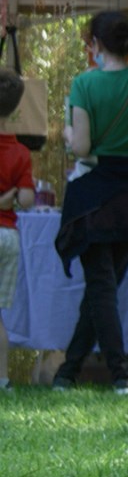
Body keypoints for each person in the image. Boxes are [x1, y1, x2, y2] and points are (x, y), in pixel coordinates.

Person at [55, 10, 128, 393]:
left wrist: (68, 131)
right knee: (103, 288)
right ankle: (67, 372)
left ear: (97, 44)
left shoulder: (84, 84)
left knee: (101, 288)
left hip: (95, 193)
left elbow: (82, 146)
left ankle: (120, 374)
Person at [0, 68, 36, 390]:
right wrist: (8, 198)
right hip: (7, 237)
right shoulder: (21, 152)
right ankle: (2, 378)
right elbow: (26, 198)